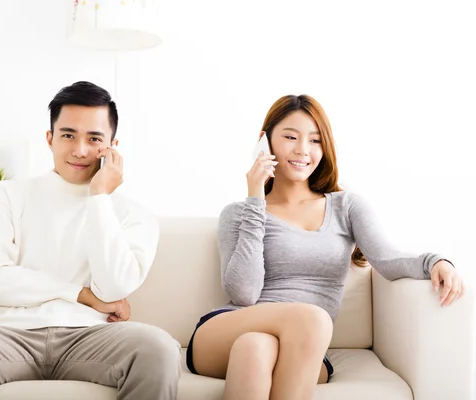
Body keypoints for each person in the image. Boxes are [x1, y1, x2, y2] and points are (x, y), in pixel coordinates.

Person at [185, 94, 464, 400]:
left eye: (315, 140)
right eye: (290, 137)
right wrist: (256, 199)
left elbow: (387, 260)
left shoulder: (347, 206)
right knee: (309, 318)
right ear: (264, 142)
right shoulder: (239, 213)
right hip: (225, 331)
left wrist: (435, 262)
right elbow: (244, 294)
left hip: (300, 343)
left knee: (256, 346)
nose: (302, 150)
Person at [0, 81, 181, 400]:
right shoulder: (7, 196)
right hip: (5, 334)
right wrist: (81, 294)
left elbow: (113, 288)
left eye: (94, 138)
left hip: (92, 337)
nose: (80, 150)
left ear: (112, 146)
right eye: (68, 135)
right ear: (50, 138)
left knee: (160, 349)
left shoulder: (133, 216)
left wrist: (99, 197)